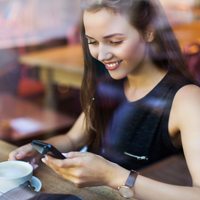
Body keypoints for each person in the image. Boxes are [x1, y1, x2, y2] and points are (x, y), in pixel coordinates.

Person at [9, 0, 200, 199]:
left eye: (115, 41)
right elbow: (73, 138)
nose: (101, 54)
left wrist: (114, 176)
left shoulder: (186, 99)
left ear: (148, 32)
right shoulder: (108, 85)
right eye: (92, 42)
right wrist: (39, 149)